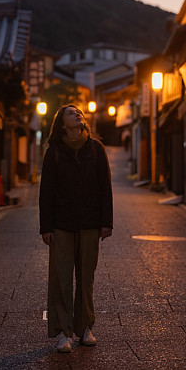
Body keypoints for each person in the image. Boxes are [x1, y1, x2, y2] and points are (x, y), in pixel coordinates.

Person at [39, 104, 113, 353]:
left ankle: (85, 328)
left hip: (91, 223)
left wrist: (106, 222)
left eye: (78, 112)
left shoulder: (95, 148)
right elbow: (46, 192)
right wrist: (45, 227)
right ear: (62, 123)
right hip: (61, 224)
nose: (77, 114)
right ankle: (62, 332)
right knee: (60, 278)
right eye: (71, 113)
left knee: (85, 278)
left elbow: (105, 187)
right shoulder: (55, 152)